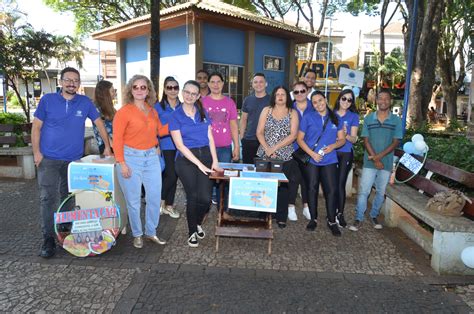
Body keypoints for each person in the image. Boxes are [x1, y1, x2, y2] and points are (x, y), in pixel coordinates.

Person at [32, 67, 112, 258]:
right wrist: (37, 153)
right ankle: (48, 238)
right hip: (49, 158)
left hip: (73, 161)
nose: (72, 83)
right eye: (68, 80)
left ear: (79, 84)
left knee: (68, 196)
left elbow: (99, 123)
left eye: (75, 80)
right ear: (61, 81)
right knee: (48, 198)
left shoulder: (84, 102)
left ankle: (64, 230)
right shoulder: (48, 100)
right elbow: (36, 127)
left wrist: (108, 147)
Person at [113, 74, 168, 249]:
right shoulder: (123, 112)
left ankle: (151, 232)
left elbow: (161, 130)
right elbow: (117, 140)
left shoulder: (152, 110)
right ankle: (137, 234)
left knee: (154, 197)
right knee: (134, 200)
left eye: (143, 87)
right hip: (130, 159)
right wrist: (121, 163)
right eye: (135, 87)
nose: (139, 90)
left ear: (148, 90)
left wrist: (181, 123)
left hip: (151, 158)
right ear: (130, 90)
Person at [169, 80, 221, 247]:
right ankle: (192, 231)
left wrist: (215, 160)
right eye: (187, 92)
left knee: (205, 199)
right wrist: (199, 164)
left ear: (199, 95)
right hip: (186, 160)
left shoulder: (202, 112)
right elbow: (179, 145)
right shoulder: (175, 116)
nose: (189, 96)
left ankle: (197, 222)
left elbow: (210, 138)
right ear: (182, 93)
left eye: (193, 93)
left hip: (205, 155)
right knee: (193, 196)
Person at [349, 90, 402, 232]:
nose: (383, 101)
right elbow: (365, 140)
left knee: (380, 191)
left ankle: (374, 215)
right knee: (364, 191)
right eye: (380, 98)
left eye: (386, 98)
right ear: (376, 101)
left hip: (386, 162)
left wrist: (379, 157)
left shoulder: (396, 120)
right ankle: (359, 217)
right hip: (369, 162)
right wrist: (375, 158)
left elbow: (396, 142)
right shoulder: (369, 118)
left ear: (390, 101)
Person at [296, 91, 346, 236]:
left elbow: (342, 139)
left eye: (320, 100)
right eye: (315, 102)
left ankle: (331, 220)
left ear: (325, 99)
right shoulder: (308, 117)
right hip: (312, 160)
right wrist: (312, 154)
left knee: (331, 191)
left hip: (329, 160)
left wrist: (333, 146)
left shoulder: (336, 118)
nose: (318, 104)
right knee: (311, 189)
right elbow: (300, 139)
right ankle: (313, 219)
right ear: (313, 105)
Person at [256, 86, 299, 228]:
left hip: (284, 155)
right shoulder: (266, 110)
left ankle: (281, 216)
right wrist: (268, 149)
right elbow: (259, 132)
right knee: (264, 186)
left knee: (283, 188)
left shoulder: (293, 113)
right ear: (273, 96)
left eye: (283, 94)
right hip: (265, 154)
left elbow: (293, 135)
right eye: (277, 94)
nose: (280, 97)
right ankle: (264, 215)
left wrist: (275, 148)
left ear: (287, 97)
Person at [202, 72, 239, 204]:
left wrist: (237, 146)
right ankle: (207, 200)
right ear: (208, 84)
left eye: (218, 82)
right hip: (206, 146)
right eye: (212, 82)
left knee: (222, 177)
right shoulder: (202, 102)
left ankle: (221, 204)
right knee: (207, 176)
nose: (216, 85)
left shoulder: (229, 102)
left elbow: (234, 125)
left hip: (224, 146)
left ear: (223, 84)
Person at [154, 76, 181, 219]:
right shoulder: (158, 107)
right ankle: (160, 202)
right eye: (169, 87)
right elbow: (152, 128)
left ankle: (169, 206)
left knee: (174, 175)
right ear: (164, 89)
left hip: (181, 145)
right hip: (166, 145)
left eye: (175, 87)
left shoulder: (183, 106)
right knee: (170, 174)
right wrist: (156, 144)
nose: (172, 90)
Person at [334, 89, 359, 228]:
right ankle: (332, 211)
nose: (346, 102)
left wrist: (345, 134)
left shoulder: (353, 116)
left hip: (345, 153)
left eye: (349, 100)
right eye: (344, 98)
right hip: (332, 152)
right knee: (331, 184)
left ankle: (340, 213)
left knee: (340, 183)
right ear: (339, 99)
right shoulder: (331, 114)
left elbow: (354, 139)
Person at [288, 81, 312, 221]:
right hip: (294, 148)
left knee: (307, 180)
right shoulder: (290, 108)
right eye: (296, 92)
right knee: (294, 178)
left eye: (302, 91)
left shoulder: (314, 106)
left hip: (310, 149)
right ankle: (290, 207)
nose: (299, 94)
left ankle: (306, 207)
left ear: (307, 91)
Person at [240, 73, 270, 164]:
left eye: (261, 82)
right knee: (248, 170)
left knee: (264, 172)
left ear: (266, 84)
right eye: (255, 82)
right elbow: (243, 119)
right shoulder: (247, 100)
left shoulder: (272, 100)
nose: (258, 84)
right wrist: (242, 137)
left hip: (266, 142)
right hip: (249, 140)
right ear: (252, 85)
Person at [92, 80, 116, 155]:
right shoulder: (96, 108)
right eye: (112, 91)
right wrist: (111, 146)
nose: (115, 93)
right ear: (105, 93)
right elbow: (101, 129)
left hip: (114, 144)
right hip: (107, 146)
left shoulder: (110, 108)